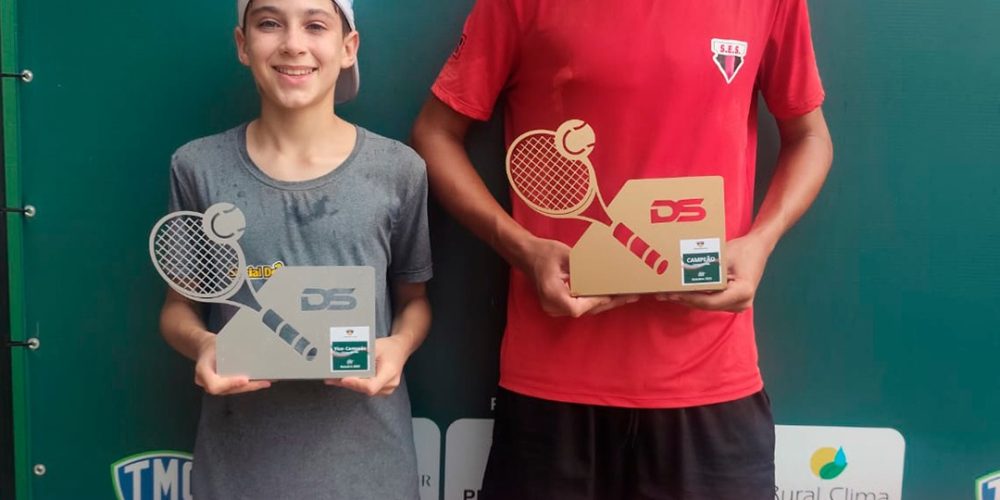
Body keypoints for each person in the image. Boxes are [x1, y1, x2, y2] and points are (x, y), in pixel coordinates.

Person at [412, 0, 833, 498]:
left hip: (711, 378)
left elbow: (810, 136)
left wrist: (761, 242)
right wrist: (522, 248)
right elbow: (435, 133)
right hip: (553, 383)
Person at [158, 0, 432, 498]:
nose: (292, 44)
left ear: (348, 48)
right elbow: (178, 309)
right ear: (243, 44)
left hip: (370, 472)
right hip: (237, 472)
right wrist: (204, 345)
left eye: (315, 25)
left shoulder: (399, 170)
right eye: (269, 23)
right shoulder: (197, 166)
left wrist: (398, 347)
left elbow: (413, 301)